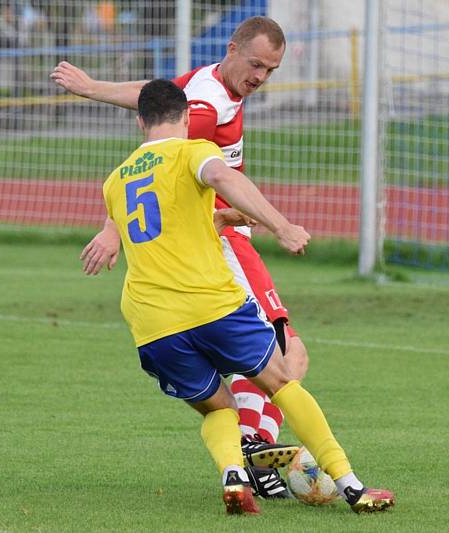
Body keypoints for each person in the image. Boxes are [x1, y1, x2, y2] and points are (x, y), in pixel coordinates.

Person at [93, 78, 393, 515]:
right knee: (281, 381)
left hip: (152, 322)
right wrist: (280, 225)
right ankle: (351, 485)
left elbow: (170, 231)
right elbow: (220, 174)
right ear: (186, 117)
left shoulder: (116, 181)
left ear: (140, 121)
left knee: (218, 406)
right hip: (210, 302)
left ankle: (233, 476)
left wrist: (219, 217)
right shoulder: (194, 150)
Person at [52, 16, 309, 498]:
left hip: (217, 241)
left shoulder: (206, 81)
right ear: (232, 49)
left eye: (270, 70)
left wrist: (93, 87)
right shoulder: (207, 107)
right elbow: (157, 150)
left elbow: (154, 96)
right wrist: (278, 224)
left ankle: (250, 446)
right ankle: (258, 444)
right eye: (255, 64)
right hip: (221, 242)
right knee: (290, 357)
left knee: (263, 362)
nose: (259, 77)